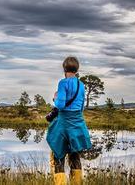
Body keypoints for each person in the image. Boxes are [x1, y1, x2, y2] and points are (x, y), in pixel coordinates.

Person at [46, 56, 92, 185]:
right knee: (75, 155)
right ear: (76, 69)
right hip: (77, 124)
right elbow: (81, 107)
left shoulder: (63, 83)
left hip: (63, 124)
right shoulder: (81, 85)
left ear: (64, 68)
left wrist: (55, 98)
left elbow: (60, 105)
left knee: (58, 155)